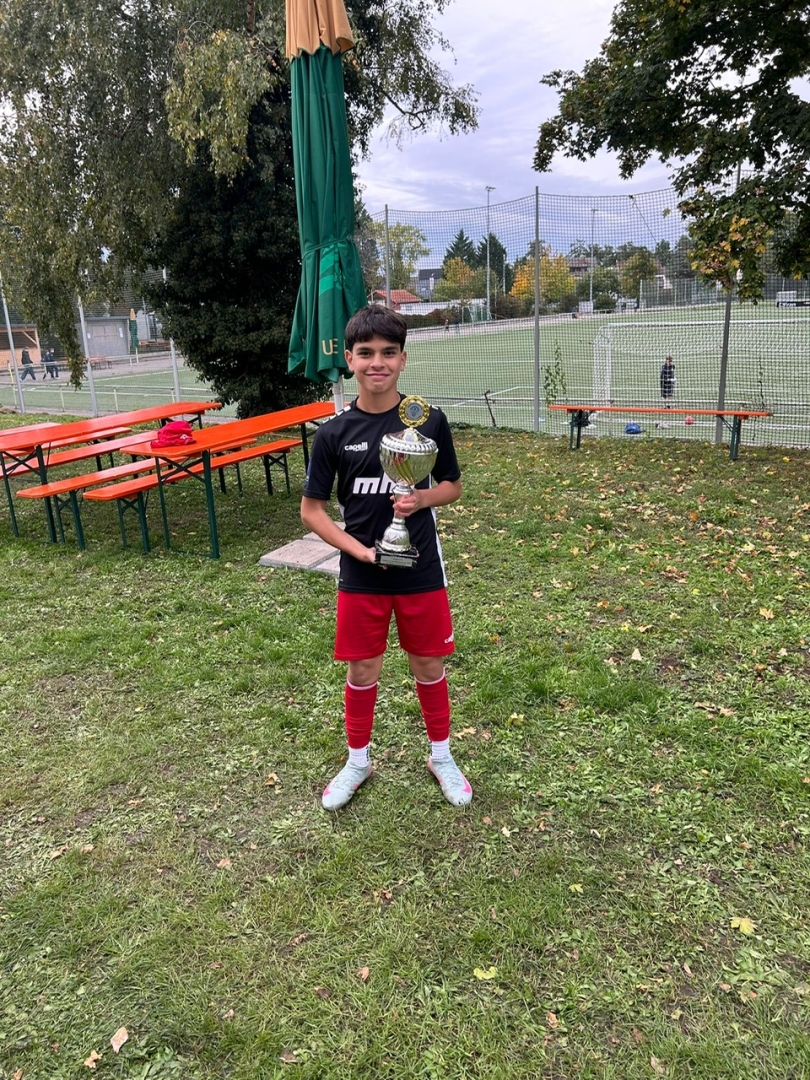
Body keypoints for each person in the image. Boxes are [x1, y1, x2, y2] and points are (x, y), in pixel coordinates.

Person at [301, 305, 471, 811]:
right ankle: (358, 761)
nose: (378, 363)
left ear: (402, 359)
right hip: (362, 573)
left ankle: (441, 756)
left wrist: (421, 499)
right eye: (367, 353)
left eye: (389, 353)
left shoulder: (427, 420)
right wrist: (361, 551)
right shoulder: (334, 433)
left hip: (420, 567)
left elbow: (452, 486)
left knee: (428, 661)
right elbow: (312, 511)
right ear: (350, 359)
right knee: (362, 669)